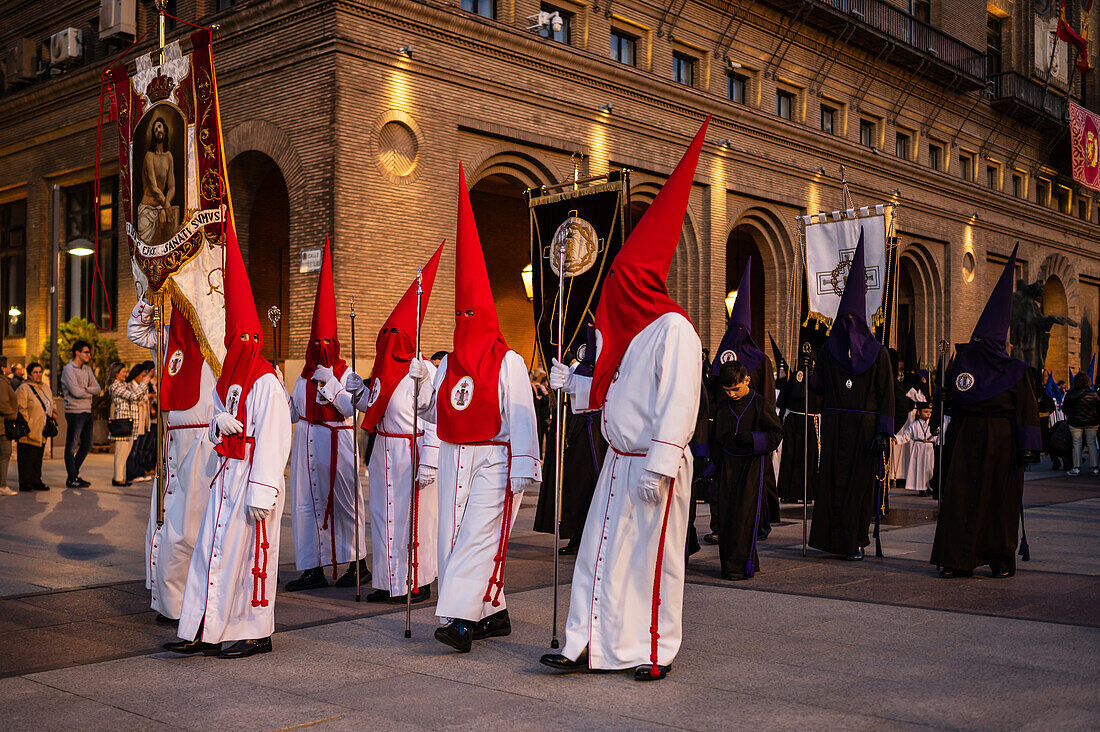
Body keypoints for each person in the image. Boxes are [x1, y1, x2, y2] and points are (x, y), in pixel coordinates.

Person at [540, 118, 707, 681]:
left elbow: (677, 404)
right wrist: (574, 386)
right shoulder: (635, 336)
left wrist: (659, 466)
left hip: (651, 466)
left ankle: (652, 649)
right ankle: (582, 642)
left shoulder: (675, 331)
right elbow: (619, 395)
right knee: (598, 553)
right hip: (618, 461)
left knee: (649, 564)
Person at [409, 166, 541, 653]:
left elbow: (522, 413)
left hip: (495, 461)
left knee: (478, 540)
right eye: (458, 314)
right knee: (454, 537)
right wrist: (422, 386)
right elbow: (433, 416)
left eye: (471, 314)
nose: (464, 322)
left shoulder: (506, 360)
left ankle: (460, 622)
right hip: (454, 459)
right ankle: (494, 613)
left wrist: (526, 465)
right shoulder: (450, 364)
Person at [167, 228, 292, 658]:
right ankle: (203, 627)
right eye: (237, 339)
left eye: (250, 339)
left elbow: (276, 437)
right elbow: (214, 426)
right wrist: (217, 424)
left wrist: (263, 489)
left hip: (252, 478)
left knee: (248, 558)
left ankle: (253, 631)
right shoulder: (225, 382)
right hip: (225, 473)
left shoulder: (267, 383)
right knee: (212, 551)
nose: (244, 346)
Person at [932, 244, 1040, 578]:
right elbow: (952, 399)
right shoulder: (966, 365)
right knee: (962, 497)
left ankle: (999, 558)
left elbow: (1027, 413)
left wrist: (1027, 449)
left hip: (1001, 446)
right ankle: (957, 559)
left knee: (999, 501)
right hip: (968, 439)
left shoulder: (1017, 371)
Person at [349, 242, 444, 603]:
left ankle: (416, 582)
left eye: (394, 335)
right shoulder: (382, 374)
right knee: (384, 516)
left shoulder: (422, 370)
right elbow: (375, 410)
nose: (388, 341)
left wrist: (431, 459)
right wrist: (359, 394)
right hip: (384, 454)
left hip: (412, 452)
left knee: (413, 520)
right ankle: (390, 582)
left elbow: (434, 416)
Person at [128, 295, 220, 623]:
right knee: (165, 518)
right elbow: (137, 332)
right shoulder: (169, 335)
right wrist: (148, 295)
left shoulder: (216, 334)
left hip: (202, 438)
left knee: (188, 523)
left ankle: (185, 598)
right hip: (172, 434)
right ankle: (166, 595)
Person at [285, 240, 369, 592]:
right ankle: (312, 568)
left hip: (337, 440)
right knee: (306, 507)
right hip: (306, 445)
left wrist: (333, 384)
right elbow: (291, 412)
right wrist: (277, 390)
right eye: (314, 344)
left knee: (345, 504)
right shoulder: (302, 375)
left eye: (326, 344)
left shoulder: (345, 371)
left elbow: (352, 410)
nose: (320, 350)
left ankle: (357, 562)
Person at [808, 231, 894, 561]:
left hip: (864, 432)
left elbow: (886, 395)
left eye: (852, 321)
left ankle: (856, 538)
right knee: (831, 483)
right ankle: (830, 539)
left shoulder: (878, 354)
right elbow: (818, 389)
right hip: (835, 427)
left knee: (858, 486)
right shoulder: (829, 352)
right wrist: (809, 366)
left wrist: (884, 433)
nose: (848, 326)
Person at [708, 257, 778, 541]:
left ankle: (761, 521)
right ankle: (719, 526)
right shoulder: (721, 358)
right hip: (726, 428)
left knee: (756, 482)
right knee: (722, 483)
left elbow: (769, 400)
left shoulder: (760, 361)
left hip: (754, 425)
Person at [532, 321, 608, 556]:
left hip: (598, 422)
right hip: (572, 420)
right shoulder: (570, 335)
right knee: (574, 482)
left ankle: (596, 536)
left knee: (596, 482)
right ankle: (576, 533)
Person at [711, 361, 783, 581]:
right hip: (727, 465)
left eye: (736, 388)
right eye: (727, 390)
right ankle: (732, 561)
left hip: (752, 465)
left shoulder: (760, 404)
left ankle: (739, 566)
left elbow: (776, 433)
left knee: (744, 515)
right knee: (726, 515)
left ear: (747, 380)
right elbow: (716, 438)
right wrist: (712, 466)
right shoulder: (722, 407)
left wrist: (753, 439)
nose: (732, 394)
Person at [776, 347, 821, 504]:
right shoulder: (793, 376)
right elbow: (783, 399)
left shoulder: (819, 379)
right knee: (790, 456)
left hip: (810, 421)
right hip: (793, 421)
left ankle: (807, 493)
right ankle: (788, 492)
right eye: (803, 357)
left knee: (808, 457)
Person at [60, 340, 101, 488]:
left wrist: (85, 389)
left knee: (87, 445)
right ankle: (72, 477)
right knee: (71, 446)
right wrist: (87, 389)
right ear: (77, 352)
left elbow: (98, 389)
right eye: (86, 352)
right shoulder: (68, 370)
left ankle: (73, 475)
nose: (89, 355)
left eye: (89, 352)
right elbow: (75, 392)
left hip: (87, 411)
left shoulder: (87, 369)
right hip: (74, 412)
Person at [15, 364, 54, 492]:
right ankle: (25, 483)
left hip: (41, 429)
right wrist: (28, 424)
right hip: (29, 430)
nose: (38, 374)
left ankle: (36, 481)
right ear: (29, 375)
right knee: (26, 458)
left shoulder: (45, 388)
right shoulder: (24, 388)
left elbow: (51, 403)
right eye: (35, 372)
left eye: (40, 372)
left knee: (38, 458)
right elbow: (21, 408)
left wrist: (54, 413)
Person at [107, 361, 145, 487]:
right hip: (122, 423)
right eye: (123, 372)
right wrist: (145, 383)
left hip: (130, 423)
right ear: (116, 373)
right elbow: (134, 396)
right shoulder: (116, 386)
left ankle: (121, 477)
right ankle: (118, 479)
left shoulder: (124, 385)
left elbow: (137, 397)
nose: (125, 374)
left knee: (125, 453)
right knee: (121, 453)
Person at [893, 404, 937, 496]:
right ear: (919, 412)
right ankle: (922, 489)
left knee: (930, 468)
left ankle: (929, 487)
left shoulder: (933, 424)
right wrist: (895, 438)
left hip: (929, 448)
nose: (928, 414)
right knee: (920, 468)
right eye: (926, 412)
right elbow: (906, 436)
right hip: (919, 447)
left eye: (930, 412)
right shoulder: (914, 425)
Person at [1062, 372, 1099, 476]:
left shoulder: (1071, 394)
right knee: (1092, 443)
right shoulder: (1093, 394)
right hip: (1092, 421)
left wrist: (1072, 415)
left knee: (1076, 444)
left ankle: (1076, 467)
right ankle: (1095, 467)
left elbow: (1065, 408)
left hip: (1075, 422)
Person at [124, 362, 155, 484]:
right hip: (136, 421)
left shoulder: (142, 386)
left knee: (141, 449)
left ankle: (139, 472)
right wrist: (148, 396)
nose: (143, 378)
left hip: (144, 421)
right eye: (142, 375)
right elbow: (137, 398)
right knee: (133, 449)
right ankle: (131, 474)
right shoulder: (130, 386)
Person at [0, 356, 18, 496]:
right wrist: (13, 415)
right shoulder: (2, 382)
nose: (10, 368)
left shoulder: (4, 382)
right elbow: (3, 403)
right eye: (8, 365)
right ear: (3, 368)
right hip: (2, 426)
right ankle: (2, 485)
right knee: (5, 454)